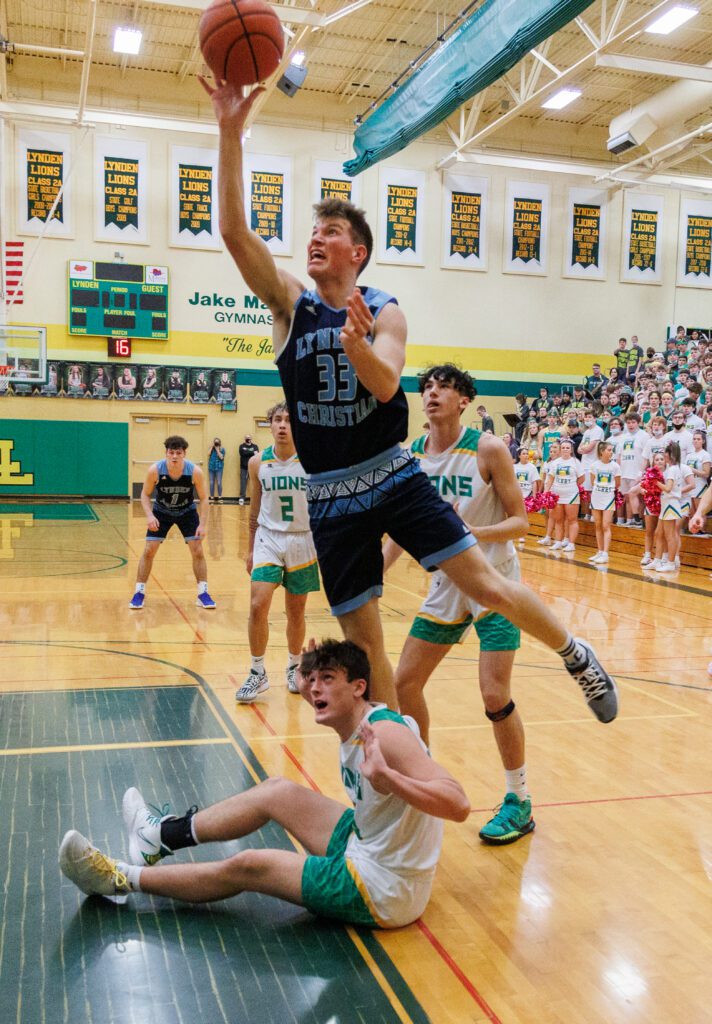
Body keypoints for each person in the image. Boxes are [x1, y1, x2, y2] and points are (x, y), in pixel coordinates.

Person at [203, 78, 618, 720]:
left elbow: (388, 383)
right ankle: (407, 766)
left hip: (392, 473)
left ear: (357, 252)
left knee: (484, 579)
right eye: (313, 230)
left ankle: (575, 652)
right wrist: (230, 130)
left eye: (331, 231)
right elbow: (234, 233)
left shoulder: (386, 311)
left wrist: (358, 345)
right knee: (367, 650)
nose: (316, 238)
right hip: (331, 494)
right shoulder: (291, 305)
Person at [59, 639, 470, 929]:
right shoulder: (359, 721)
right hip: (371, 841)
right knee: (276, 790)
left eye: (327, 678)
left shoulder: (388, 737)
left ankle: (117, 877)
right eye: (312, 679)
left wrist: (390, 778)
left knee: (250, 865)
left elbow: (458, 804)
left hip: (385, 888)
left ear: (359, 687)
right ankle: (158, 837)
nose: (314, 687)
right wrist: (317, 670)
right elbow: (329, 690)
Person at [385, 367, 535, 844]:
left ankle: (519, 799)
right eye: (427, 387)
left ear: (464, 400)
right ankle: (425, 778)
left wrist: (470, 535)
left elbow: (520, 522)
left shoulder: (488, 449)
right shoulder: (409, 456)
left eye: (443, 387)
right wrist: (373, 574)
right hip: (447, 585)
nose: (432, 393)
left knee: (494, 694)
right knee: (404, 683)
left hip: (494, 580)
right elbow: (399, 532)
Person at [236, 402, 320, 702]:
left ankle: (293, 666)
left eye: (288, 420)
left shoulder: (313, 460)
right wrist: (249, 549)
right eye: (277, 420)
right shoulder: (257, 462)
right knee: (258, 604)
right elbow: (254, 509)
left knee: (295, 611)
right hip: (268, 539)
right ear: (269, 425)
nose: (282, 425)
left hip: (302, 540)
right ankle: (257, 673)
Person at [129, 435, 215, 610]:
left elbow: (205, 499)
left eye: (178, 452)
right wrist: (149, 516)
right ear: (166, 453)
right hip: (162, 511)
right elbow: (145, 495)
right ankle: (139, 592)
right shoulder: (156, 470)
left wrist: (203, 524)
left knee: (197, 549)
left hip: (187, 512)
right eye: (171, 452)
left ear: (184, 454)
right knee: (149, 550)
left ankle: (203, 593)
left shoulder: (194, 471)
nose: (174, 456)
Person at [544, 437, 584, 553]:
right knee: (558, 519)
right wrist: (546, 492)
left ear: (571, 450)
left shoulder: (576, 462)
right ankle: (558, 542)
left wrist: (572, 486)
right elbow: (550, 479)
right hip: (557, 495)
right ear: (560, 449)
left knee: (572, 520)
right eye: (563, 448)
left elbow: (582, 478)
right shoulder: (555, 462)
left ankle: (571, 543)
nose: (565, 449)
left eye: (567, 448)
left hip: (571, 495)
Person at [587, 441, 621, 565]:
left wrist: (608, 489)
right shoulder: (594, 465)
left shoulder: (615, 466)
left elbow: (618, 484)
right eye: (609, 450)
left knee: (606, 525)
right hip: (596, 497)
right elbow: (592, 482)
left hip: (608, 498)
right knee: (598, 525)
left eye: (612, 450)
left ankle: (605, 553)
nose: (611, 452)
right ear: (602, 451)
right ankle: (600, 551)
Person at [239, 434, 259, 504]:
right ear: (245, 439)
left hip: (253, 467)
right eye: (247, 438)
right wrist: (252, 452)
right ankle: (242, 497)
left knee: (254, 483)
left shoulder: (255, 446)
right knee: (243, 482)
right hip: (243, 467)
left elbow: (257, 454)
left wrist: (248, 452)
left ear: (251, 439)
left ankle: (254, 498)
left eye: (249, 438)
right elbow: (242, 453)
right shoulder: (241, 446)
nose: (248, 439)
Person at [208, 437, 225, 502]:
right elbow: (208, 454)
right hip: (211, 468)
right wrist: (212, 447)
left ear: (219, 443)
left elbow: (221, 457)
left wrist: (217, 450)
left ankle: (220, 497)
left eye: (217, 442)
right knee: (211, 482)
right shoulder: (212, 449)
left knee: (219, 482)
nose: (216, 443)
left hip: (219, 468)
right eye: (215, 442)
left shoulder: (222, 449)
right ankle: (211, 497)